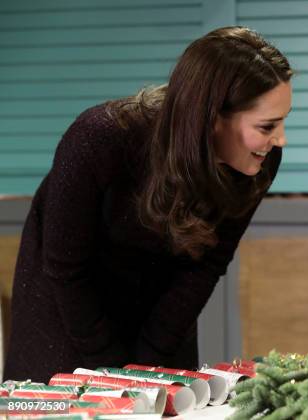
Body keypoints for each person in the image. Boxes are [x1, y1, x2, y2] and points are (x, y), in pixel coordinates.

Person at [4, 26, 293, 383]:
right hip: (68, 306)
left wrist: (151, 362)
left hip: (162, 312)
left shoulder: (259, 161)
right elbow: (66, 268)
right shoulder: (99, 139)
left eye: (282, 122)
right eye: (267, 126)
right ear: (211, 119)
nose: (280, 139)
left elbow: (205, 267)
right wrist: (112, 368)